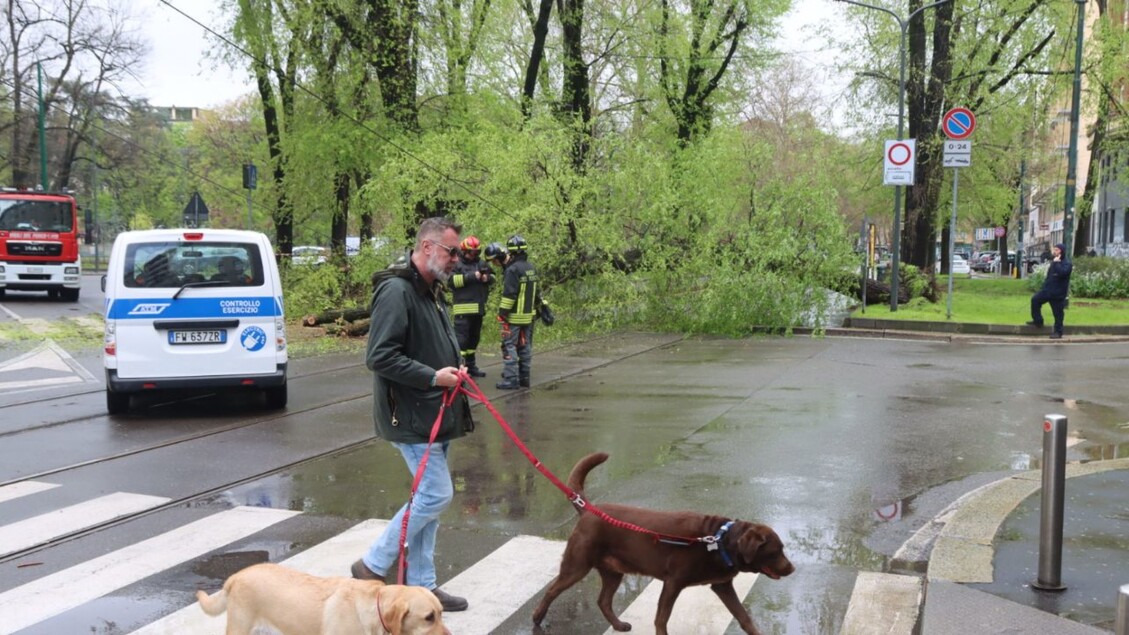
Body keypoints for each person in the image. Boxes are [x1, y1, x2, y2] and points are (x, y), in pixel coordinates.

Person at [351, 216, 472, 613]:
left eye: (457, 252)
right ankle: (372, 564)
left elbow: (430, 345)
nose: (457, 258)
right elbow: (380, 356)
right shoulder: (396, 291)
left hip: (436, 411)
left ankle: (422, 586)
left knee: (428, 503)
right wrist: (433, 376)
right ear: (426, 247)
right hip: (411, 415)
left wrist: (453, 369)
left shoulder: (430, 289)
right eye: (451, 251)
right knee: (436, 495)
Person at [496, 234, 541, 390]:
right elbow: (537, 293)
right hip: (528, 316)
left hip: (514, 317)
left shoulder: (513, 270)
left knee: (509, 345)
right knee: (525, 345)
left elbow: (509, 294)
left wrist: (502, 313)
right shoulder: (531, 268)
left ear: (512, 252)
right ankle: (524, 378)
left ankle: (511, 378)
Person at [449, 235, 493, 378]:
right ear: (463, 250)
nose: (473, 255)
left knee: (474, 339)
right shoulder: (457, 264)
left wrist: (488, 278)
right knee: (462, 341)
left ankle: (471, 366)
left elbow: (494, 277)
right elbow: (451, 282)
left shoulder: (481, 263)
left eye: (476, 252)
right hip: (463, 309)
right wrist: (471, 276)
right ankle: (458, 368)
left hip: (478, 310)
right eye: (471, 252)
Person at [1028, 242, 1072, 339]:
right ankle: (1038, 321)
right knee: (1035, 300)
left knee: (1058, 314)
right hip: (1047, 290)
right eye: (1054, 249)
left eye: (1057, 250)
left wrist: (1056, 263)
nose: (1054, 251)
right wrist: (1044, 286)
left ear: (1062, 251)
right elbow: (1050, 276)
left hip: (1058, 293)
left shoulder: (1067, 263)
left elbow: (1063, 273)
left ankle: (1058, 332)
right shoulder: (1054, 261)